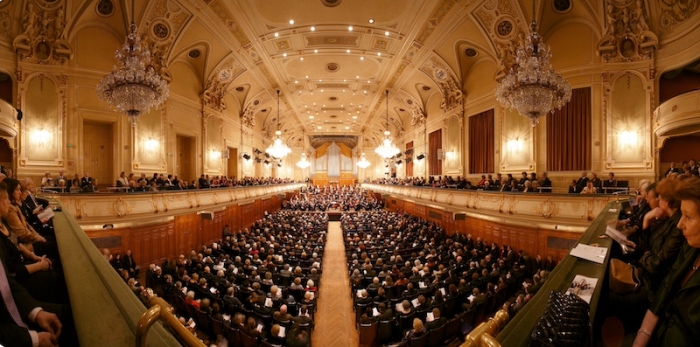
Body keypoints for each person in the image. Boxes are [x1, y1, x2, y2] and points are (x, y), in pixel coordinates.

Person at [633, 177, 700, 346]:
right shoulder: (691, 248)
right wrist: (643, 336)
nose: (680, 224)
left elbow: (657, 265)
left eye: (688, 217)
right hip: (659, 332)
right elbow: (667, 286)